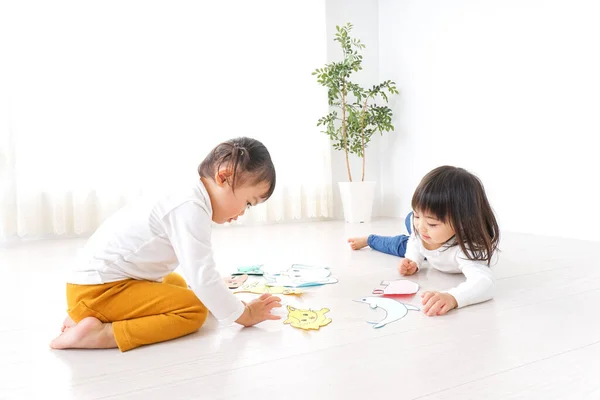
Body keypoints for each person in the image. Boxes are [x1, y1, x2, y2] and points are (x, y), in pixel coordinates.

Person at [50, 137, 282, 352]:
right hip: (97, 292)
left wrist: (217, 295)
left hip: (94, 287)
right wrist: (246, 313)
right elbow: (203, 279)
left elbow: (199, 277)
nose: (242, 212)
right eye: (248, 202)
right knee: (193, 310)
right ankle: (103, 333)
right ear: (224, 176)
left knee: (178, 284)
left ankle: (89, 315)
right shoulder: (190, 207)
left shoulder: (189, 194)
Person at [348, 166, 500, 317]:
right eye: (418, 215)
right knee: (408, 233)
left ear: (462, 223)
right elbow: (414, 241)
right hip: (421, 242)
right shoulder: (421, 229)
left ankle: (372, 238)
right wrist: (414, 260)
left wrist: (453, 297)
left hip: (436, 247)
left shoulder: (467, 250)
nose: (421, 227)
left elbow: (485, 283)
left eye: (432, 223)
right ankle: (371, 239)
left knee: (399, 242)